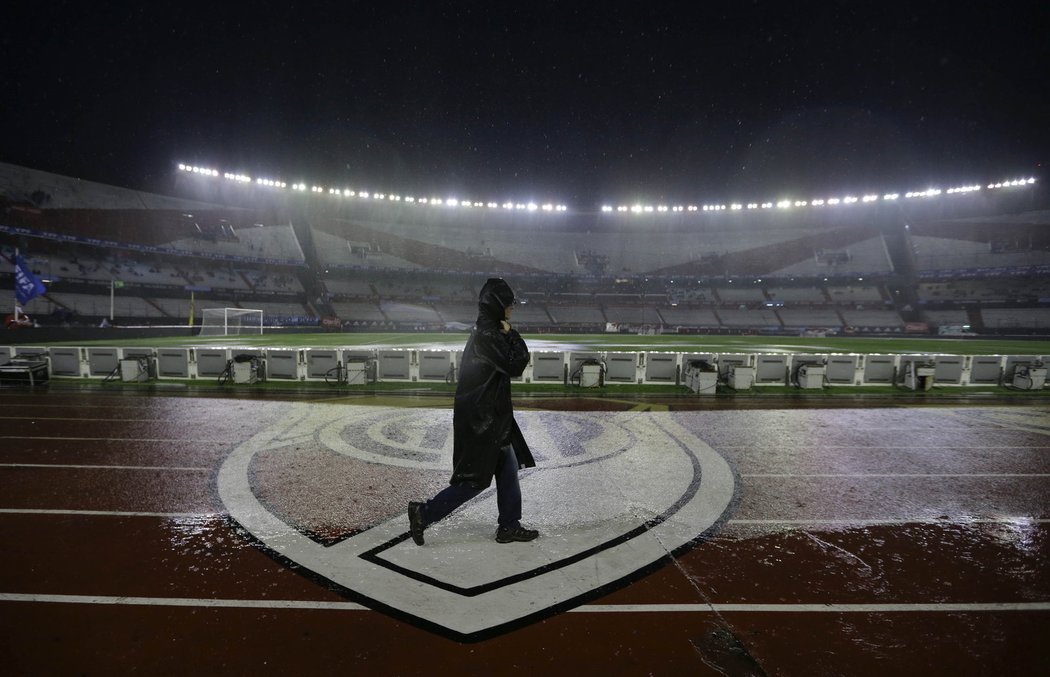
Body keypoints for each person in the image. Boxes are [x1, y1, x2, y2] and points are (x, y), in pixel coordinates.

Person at [408, 278, 538, 545]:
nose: (513, 308)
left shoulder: (487, 330)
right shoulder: (489, 335)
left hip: (492, 417)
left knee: (508, 470)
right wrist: (512, 333)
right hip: (484, 420)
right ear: (497, 304)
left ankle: (509, 525)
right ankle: (424, 512)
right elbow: (516, 364)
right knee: (473, 481)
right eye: (509, 303)